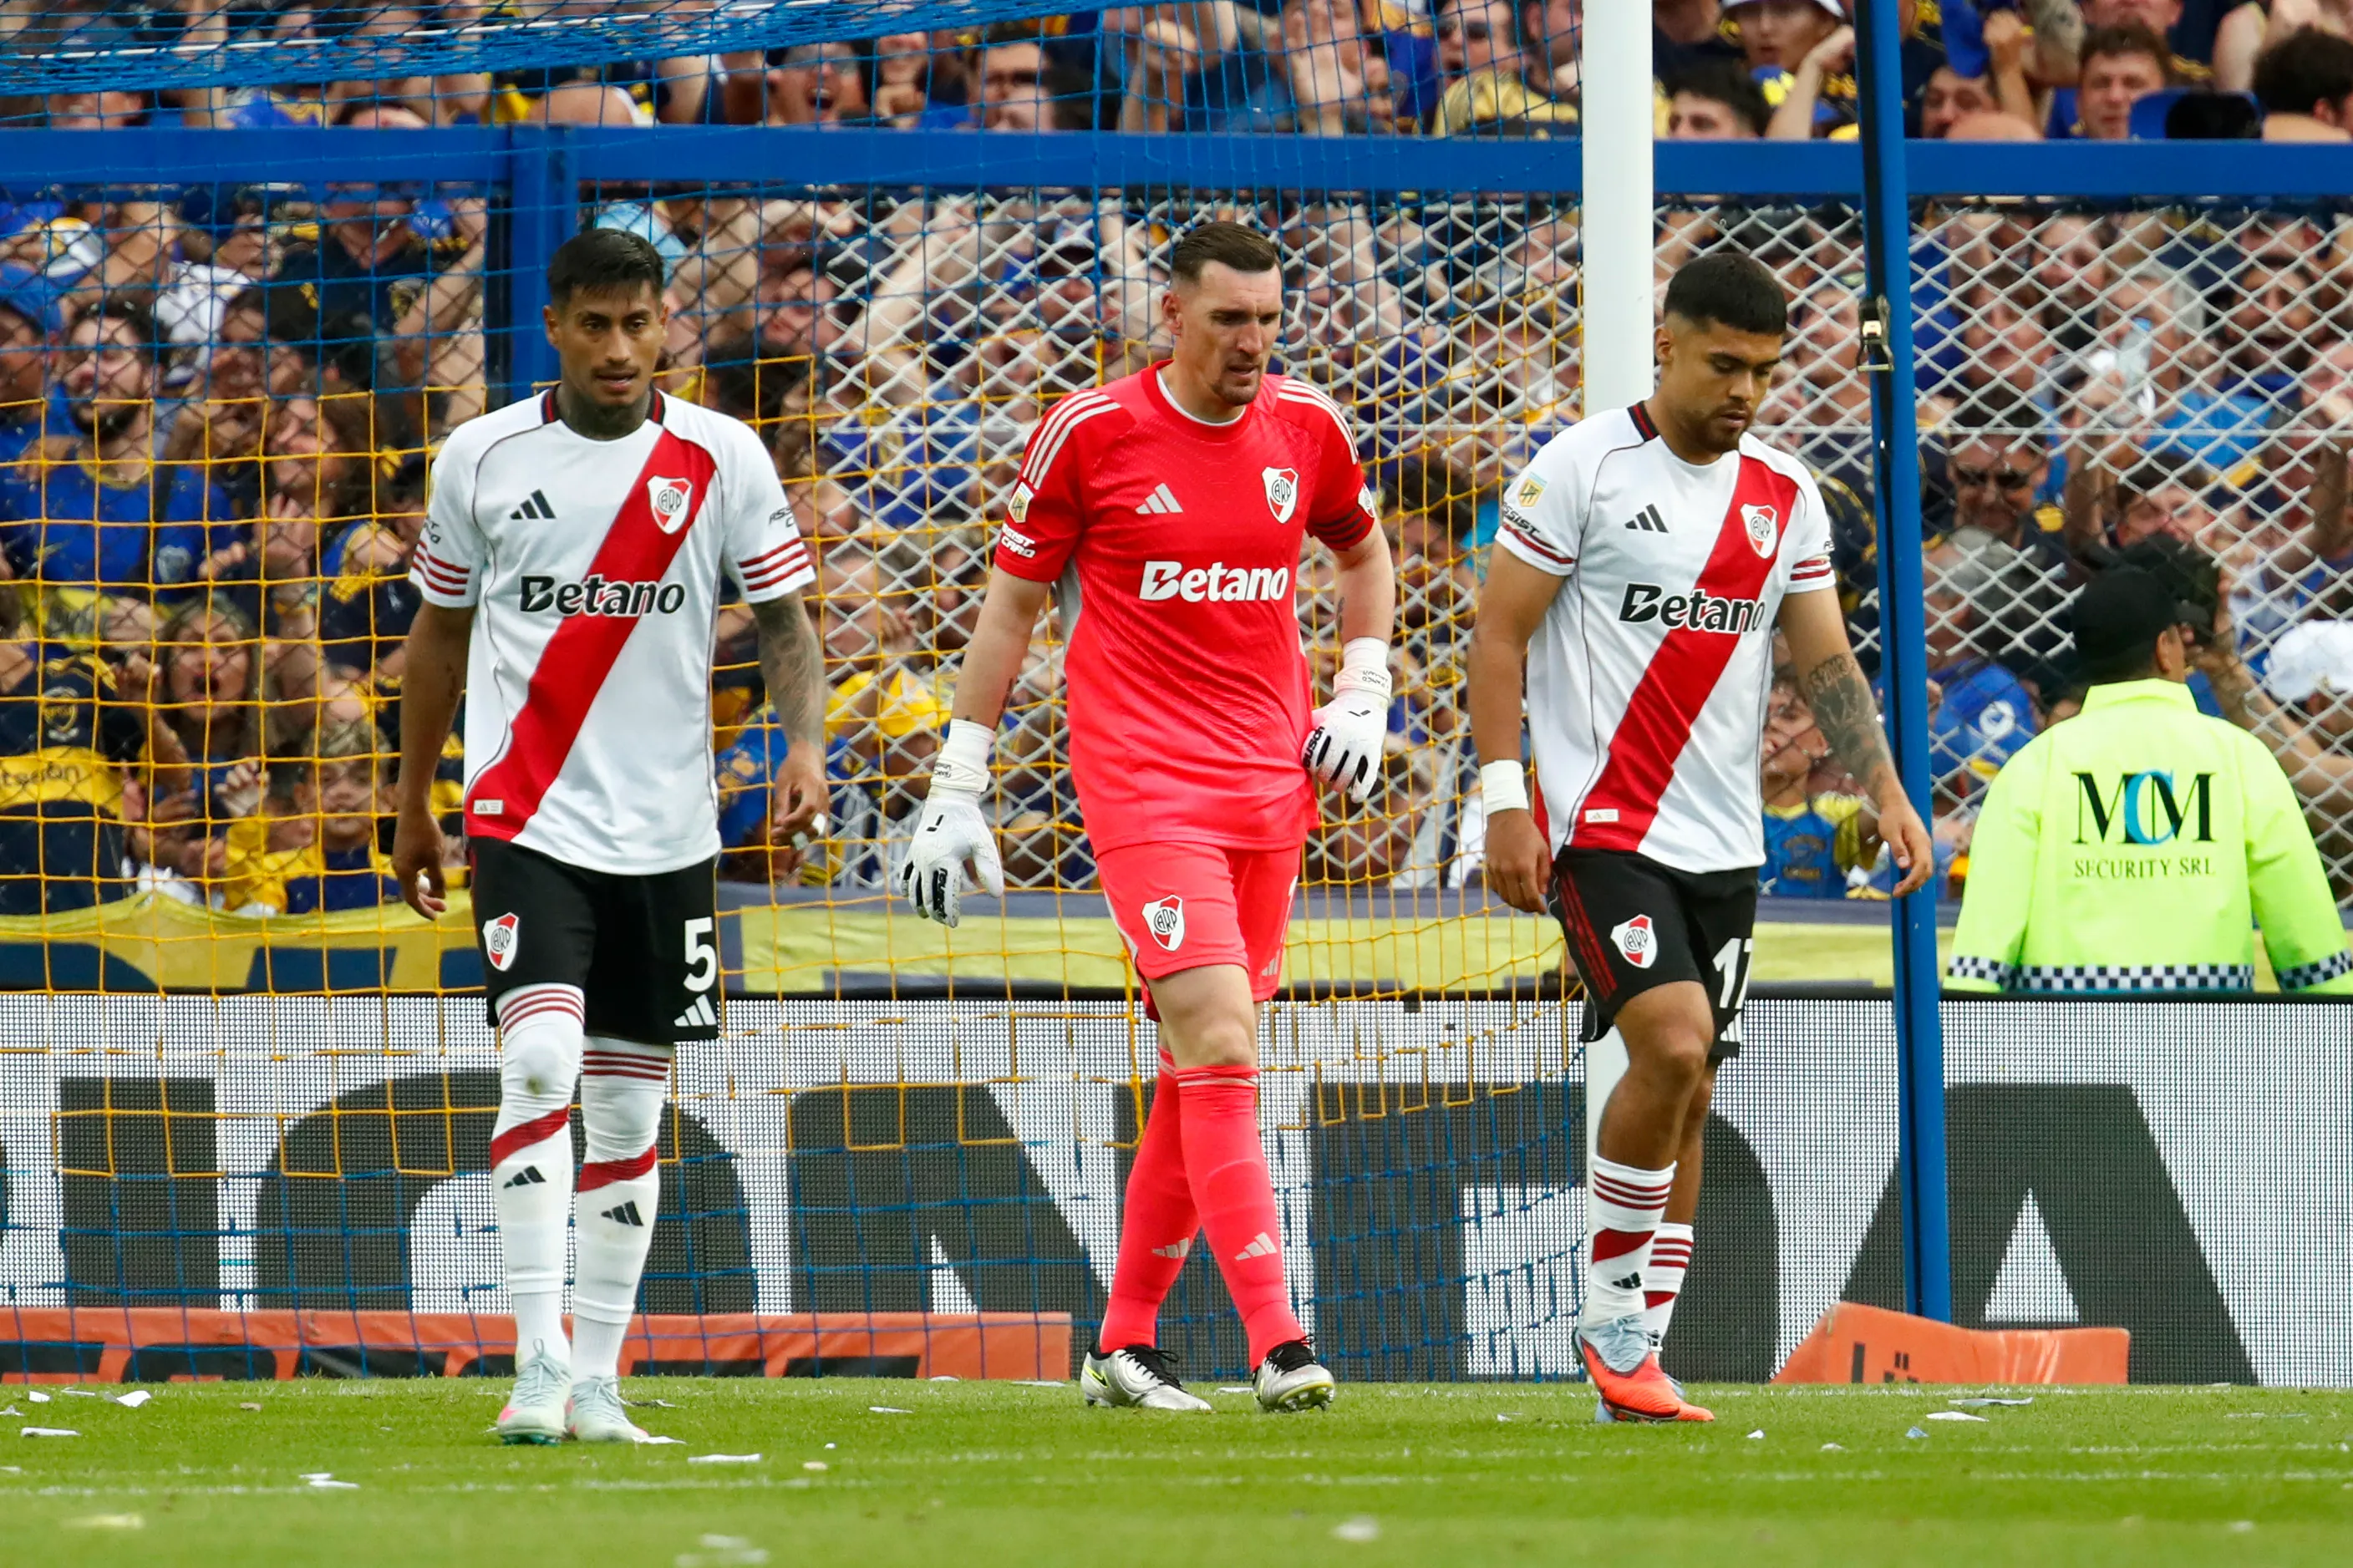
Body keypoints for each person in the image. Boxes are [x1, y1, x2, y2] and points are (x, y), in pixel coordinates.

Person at [897, 221, 1395, 1415]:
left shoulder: (1307, 427)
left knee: (1197, 1066)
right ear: (1170, 316)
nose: (1255, 343)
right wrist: (958, 782)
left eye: (1271, 320)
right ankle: (1279, 1341)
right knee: (1224, 1040)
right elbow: (1011, 609)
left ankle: (1125, 1341)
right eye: (1230, 319)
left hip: (1273, 790)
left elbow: (1363, 557)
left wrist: (1365, 687)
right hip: (1144, 786)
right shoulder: (1092, 432)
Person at [1465, 251, 1932, 1423]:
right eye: (1726, 365)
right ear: (1665, 341)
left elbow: (1821, 657)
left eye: (1766, 373)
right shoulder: (1583, 468)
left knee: (1692, 1085)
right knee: (1669, 1046)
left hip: (1726, 842)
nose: (1746, 393)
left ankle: (1641, 1359)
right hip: (1599, 825)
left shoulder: (1786, 494)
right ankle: (1611, 1318)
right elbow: (1499, 637)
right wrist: (1503, 799)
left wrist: (1884, 789)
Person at [389, 228, 828, 1446]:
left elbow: (787, 621)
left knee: (631, 1117)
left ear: (667, 326)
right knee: (539, 1068)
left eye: (641, 323)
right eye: (598, 324)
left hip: (671, 835)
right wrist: (415, 798)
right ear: (556, 327)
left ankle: (596, 1379)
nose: (622, 347)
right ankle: (531, 1366)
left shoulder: (722, 455)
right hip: (525, 820)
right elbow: (435, 639)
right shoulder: (481, 456)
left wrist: (805, 748)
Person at [1949, 569, 2353, 995]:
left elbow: (1982, 957)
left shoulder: (2034, 767)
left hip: (2065, 1047)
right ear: (2166, 648)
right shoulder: (2240, 758)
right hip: (2208, 1044)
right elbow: (2313, 954)